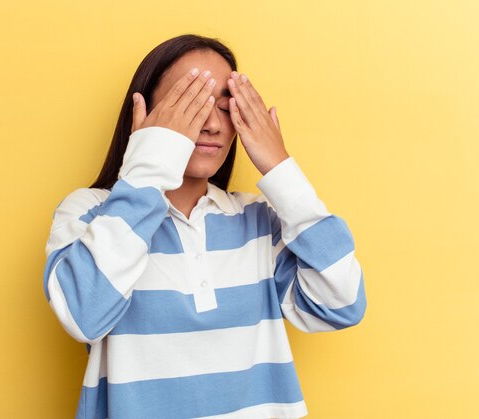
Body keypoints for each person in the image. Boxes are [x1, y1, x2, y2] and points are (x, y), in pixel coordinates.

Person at [43, 34, 367, 419]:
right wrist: (150, 157)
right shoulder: (90, 214)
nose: (212, 124)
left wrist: (281, 170)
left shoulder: (259, 221)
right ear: (144, 112)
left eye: (226, 106)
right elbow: (85, 315)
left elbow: (342, 304)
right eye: (191, 103)